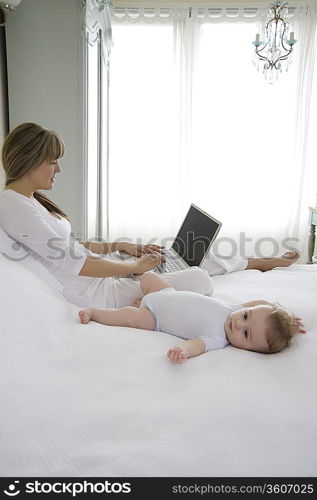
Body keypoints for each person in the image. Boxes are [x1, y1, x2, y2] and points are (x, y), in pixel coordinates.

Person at [0, 123, 299, 309]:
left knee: (176, 254)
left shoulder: (29, 201)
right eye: (53, 162)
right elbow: (75, 265)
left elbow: (72, 246)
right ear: (31, 161)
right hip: (99, 293)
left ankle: (258, 262)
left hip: (105, 276)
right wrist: (133, 267)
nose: (59, 170)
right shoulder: (14, 206)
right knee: (197, 278)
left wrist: (120, 247)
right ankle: (235, 298)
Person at [78, 272, 306, 362]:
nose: (238, 323)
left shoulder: (218, 338)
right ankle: (141, 299)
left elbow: (196, 345)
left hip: (156, 318)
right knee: (148, 276)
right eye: (245, 316)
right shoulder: (233, 309)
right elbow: (261, 304)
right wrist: (285, 317)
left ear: (249, 350)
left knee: (130, 318)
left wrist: (184, 351)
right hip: (165, 293)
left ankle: (94, 312)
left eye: (245, 334)